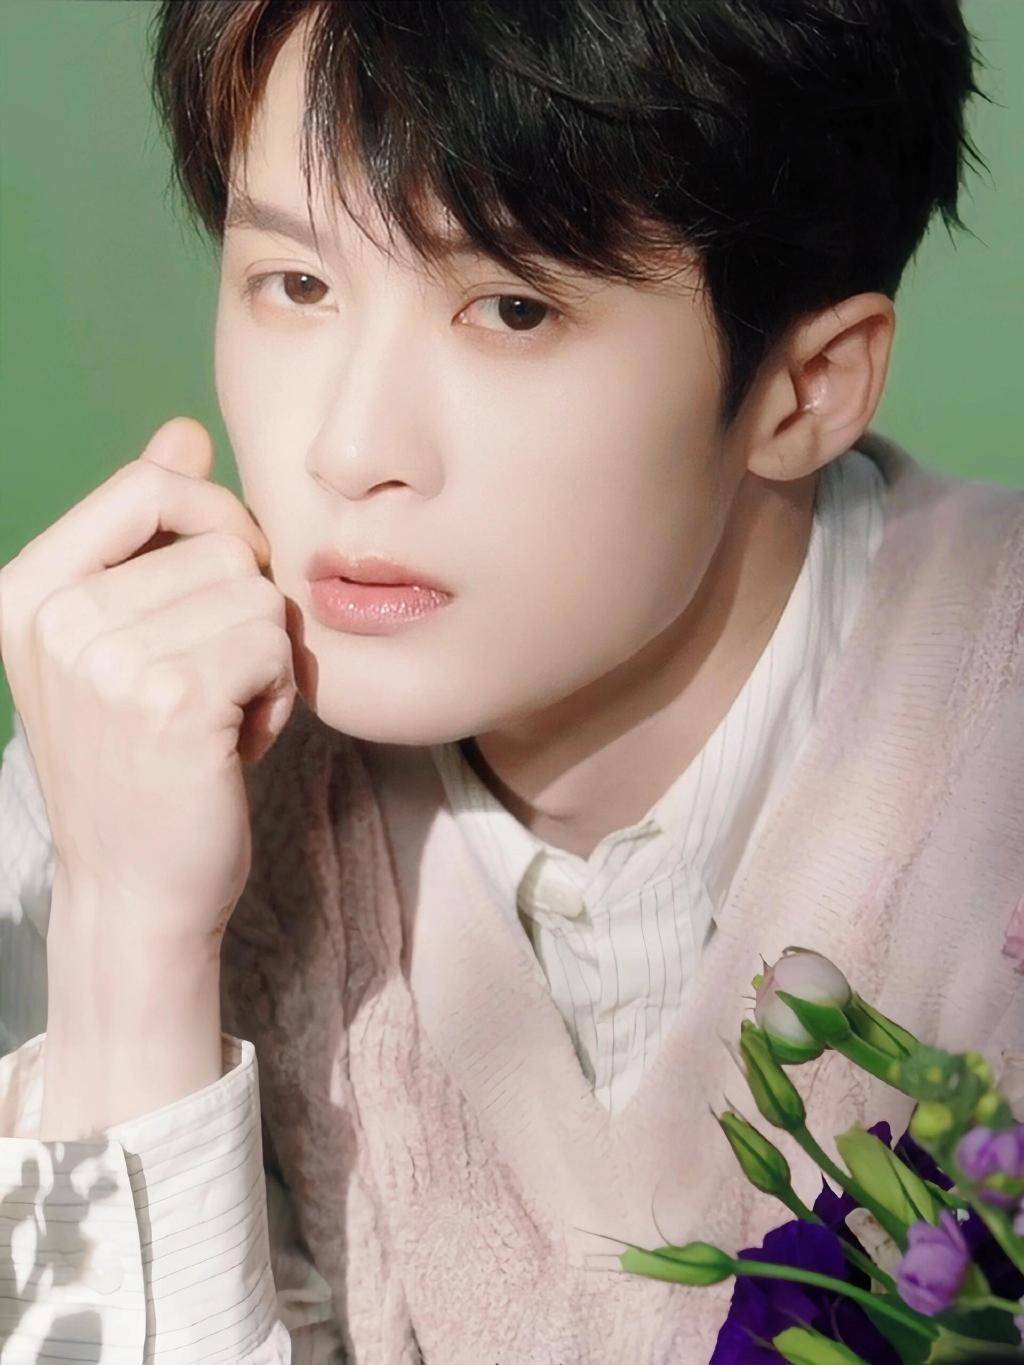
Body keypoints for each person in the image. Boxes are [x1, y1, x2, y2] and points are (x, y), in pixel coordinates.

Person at [1, 1, 1021, 1360]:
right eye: (296, 286)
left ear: (807, 387)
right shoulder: (122, 783)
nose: (350, 449)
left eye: (512, 307)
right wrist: (128, 947)